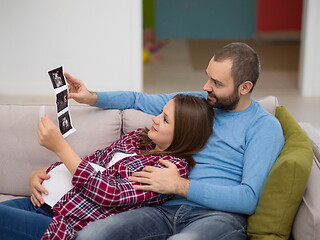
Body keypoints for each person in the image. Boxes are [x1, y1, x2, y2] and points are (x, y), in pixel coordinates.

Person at [34, 42, 284, 240]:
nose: (205, 86)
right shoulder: (198, 102)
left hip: (217, 216)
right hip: (162, 209)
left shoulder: (264, 127)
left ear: (244, 87)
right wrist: (91, 97)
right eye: (208, 76)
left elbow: (249, 198)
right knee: (91, 235)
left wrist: (180, 186)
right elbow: (137, 100)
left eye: (217, 83)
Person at [0, 94, 214, 240]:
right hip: (40, 202)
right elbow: (92, 163)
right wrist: (40, 175)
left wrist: (60, 148)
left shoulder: (169, 169)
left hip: (61, 223)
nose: (155, 119)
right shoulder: (138, 138)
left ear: (183, 133)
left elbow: (111, 193)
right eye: (160, 112)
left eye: (165, 120)